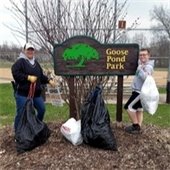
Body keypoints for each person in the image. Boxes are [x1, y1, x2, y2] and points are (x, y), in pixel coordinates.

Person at [11, 42, 55, 131]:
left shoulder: (36, 63)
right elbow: (15, 73)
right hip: (23, 94)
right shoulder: (20, 62)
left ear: (34, 51)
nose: (30, 51)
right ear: (24, 51)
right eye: (28, 50)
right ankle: (18, 132)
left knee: (42, 109)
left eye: (32, 50)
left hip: (36, 94)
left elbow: (40, 76)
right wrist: (27, 77)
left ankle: (35, 127)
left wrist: (48, 80)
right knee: (21, 113)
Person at [124, 48, 154, 134]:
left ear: (149, 56)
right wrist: (140, 66)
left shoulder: (148, 67)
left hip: (140, 92)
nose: (142, 56)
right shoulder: (141, 64)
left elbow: (146, 78)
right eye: (140, 55)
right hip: (138, 91)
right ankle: (138, 128)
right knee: (139, 110)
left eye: (144, 55)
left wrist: (140, 69)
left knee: (129, 107)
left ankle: (135, 126)